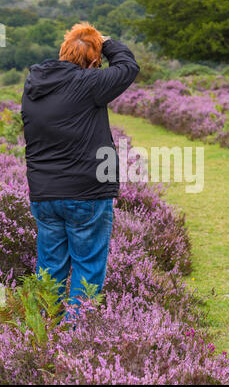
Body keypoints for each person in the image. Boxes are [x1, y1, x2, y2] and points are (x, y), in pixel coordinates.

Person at [21, 22, 140, 311]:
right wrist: (106, 42)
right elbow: (127, 67)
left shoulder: (33, 86)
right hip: (86, 192)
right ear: (94, 62)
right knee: (87, 268)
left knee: (49, 269)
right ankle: (76, 336)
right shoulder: (89, 83)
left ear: (63, 53)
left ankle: (43, 333)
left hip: (44, 195)